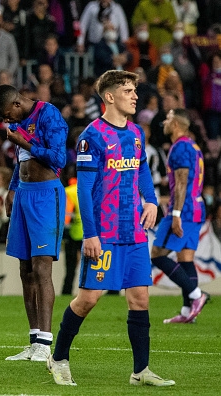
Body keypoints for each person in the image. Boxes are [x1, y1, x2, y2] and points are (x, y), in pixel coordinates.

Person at [48, 70, 175, 386]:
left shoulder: (134, 133)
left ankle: (140, 371)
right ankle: (58, 358)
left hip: (133, 232)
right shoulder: (92, 136)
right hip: (103, 235)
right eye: (128, 91)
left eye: (134, 90)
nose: (135, 96)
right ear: (109, 96)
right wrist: (90, 234)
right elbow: (86, 189)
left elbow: (142, 167)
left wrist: (151, 199)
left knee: (140, 300)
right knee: (88, 299)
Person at [0, 84, 67, 362]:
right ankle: (34, 341)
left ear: (17, 105)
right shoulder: (21, 122)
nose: (6, 120)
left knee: (41, 267)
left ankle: (46, 345)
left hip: (47, 195)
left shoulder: (49, 115)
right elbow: (21, 160)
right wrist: (12, 189)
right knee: (25, 269)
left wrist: (24, 143)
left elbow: (59, 158)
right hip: (23, 193)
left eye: (6, 114)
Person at [151, 108, 209, 323]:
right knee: (186, 258)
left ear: (176, 124)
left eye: (167, 118)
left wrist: (175, 214)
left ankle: (196, 295)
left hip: (183, 210)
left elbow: (182, 182)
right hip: (196, 208)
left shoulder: (181, 147)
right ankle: (187, 312)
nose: (164, 121)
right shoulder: (194, 147)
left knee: (157, 254)